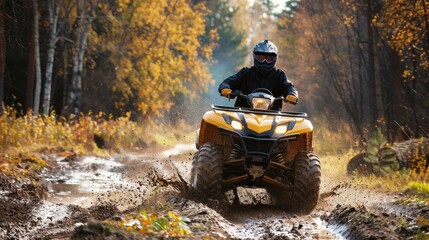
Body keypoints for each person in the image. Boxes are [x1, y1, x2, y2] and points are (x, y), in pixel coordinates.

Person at [218, 40, 298, 109]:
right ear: (255, 57)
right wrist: (225, 88)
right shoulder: (245, 72)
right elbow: (228, 82)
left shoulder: (279, 75)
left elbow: (288, 86)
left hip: (272, 117)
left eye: (268, 58)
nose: (264, 61)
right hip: (242, 115)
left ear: (274, 59)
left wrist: (292, 94)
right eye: (261, 58)